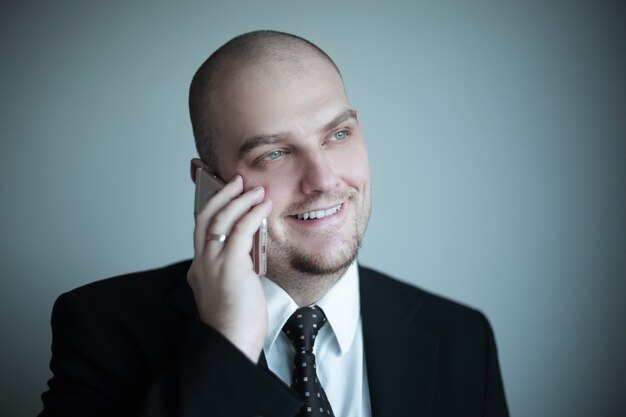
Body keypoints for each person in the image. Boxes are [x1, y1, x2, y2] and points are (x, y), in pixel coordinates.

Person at [40, 30, 509, 417]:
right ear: (209, 184)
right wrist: (227, 345)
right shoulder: (101, 329)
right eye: (275, 154)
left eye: (338, 134)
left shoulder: (461, 338)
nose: (324, 179)